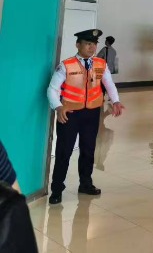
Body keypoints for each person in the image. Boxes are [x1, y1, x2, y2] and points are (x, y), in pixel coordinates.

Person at [47, 29, 125, 204]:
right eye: (88, 44)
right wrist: (58, 107)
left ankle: (85, 184)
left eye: (94, 44)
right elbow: (52, 89)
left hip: (92, 113)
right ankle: (57, 189)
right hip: (70, 114)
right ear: (78, 45)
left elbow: (109, 84)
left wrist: (116, 101)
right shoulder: (66, 65)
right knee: (64, 152)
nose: (92, 47)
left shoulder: (100, 64)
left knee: (88, 150)